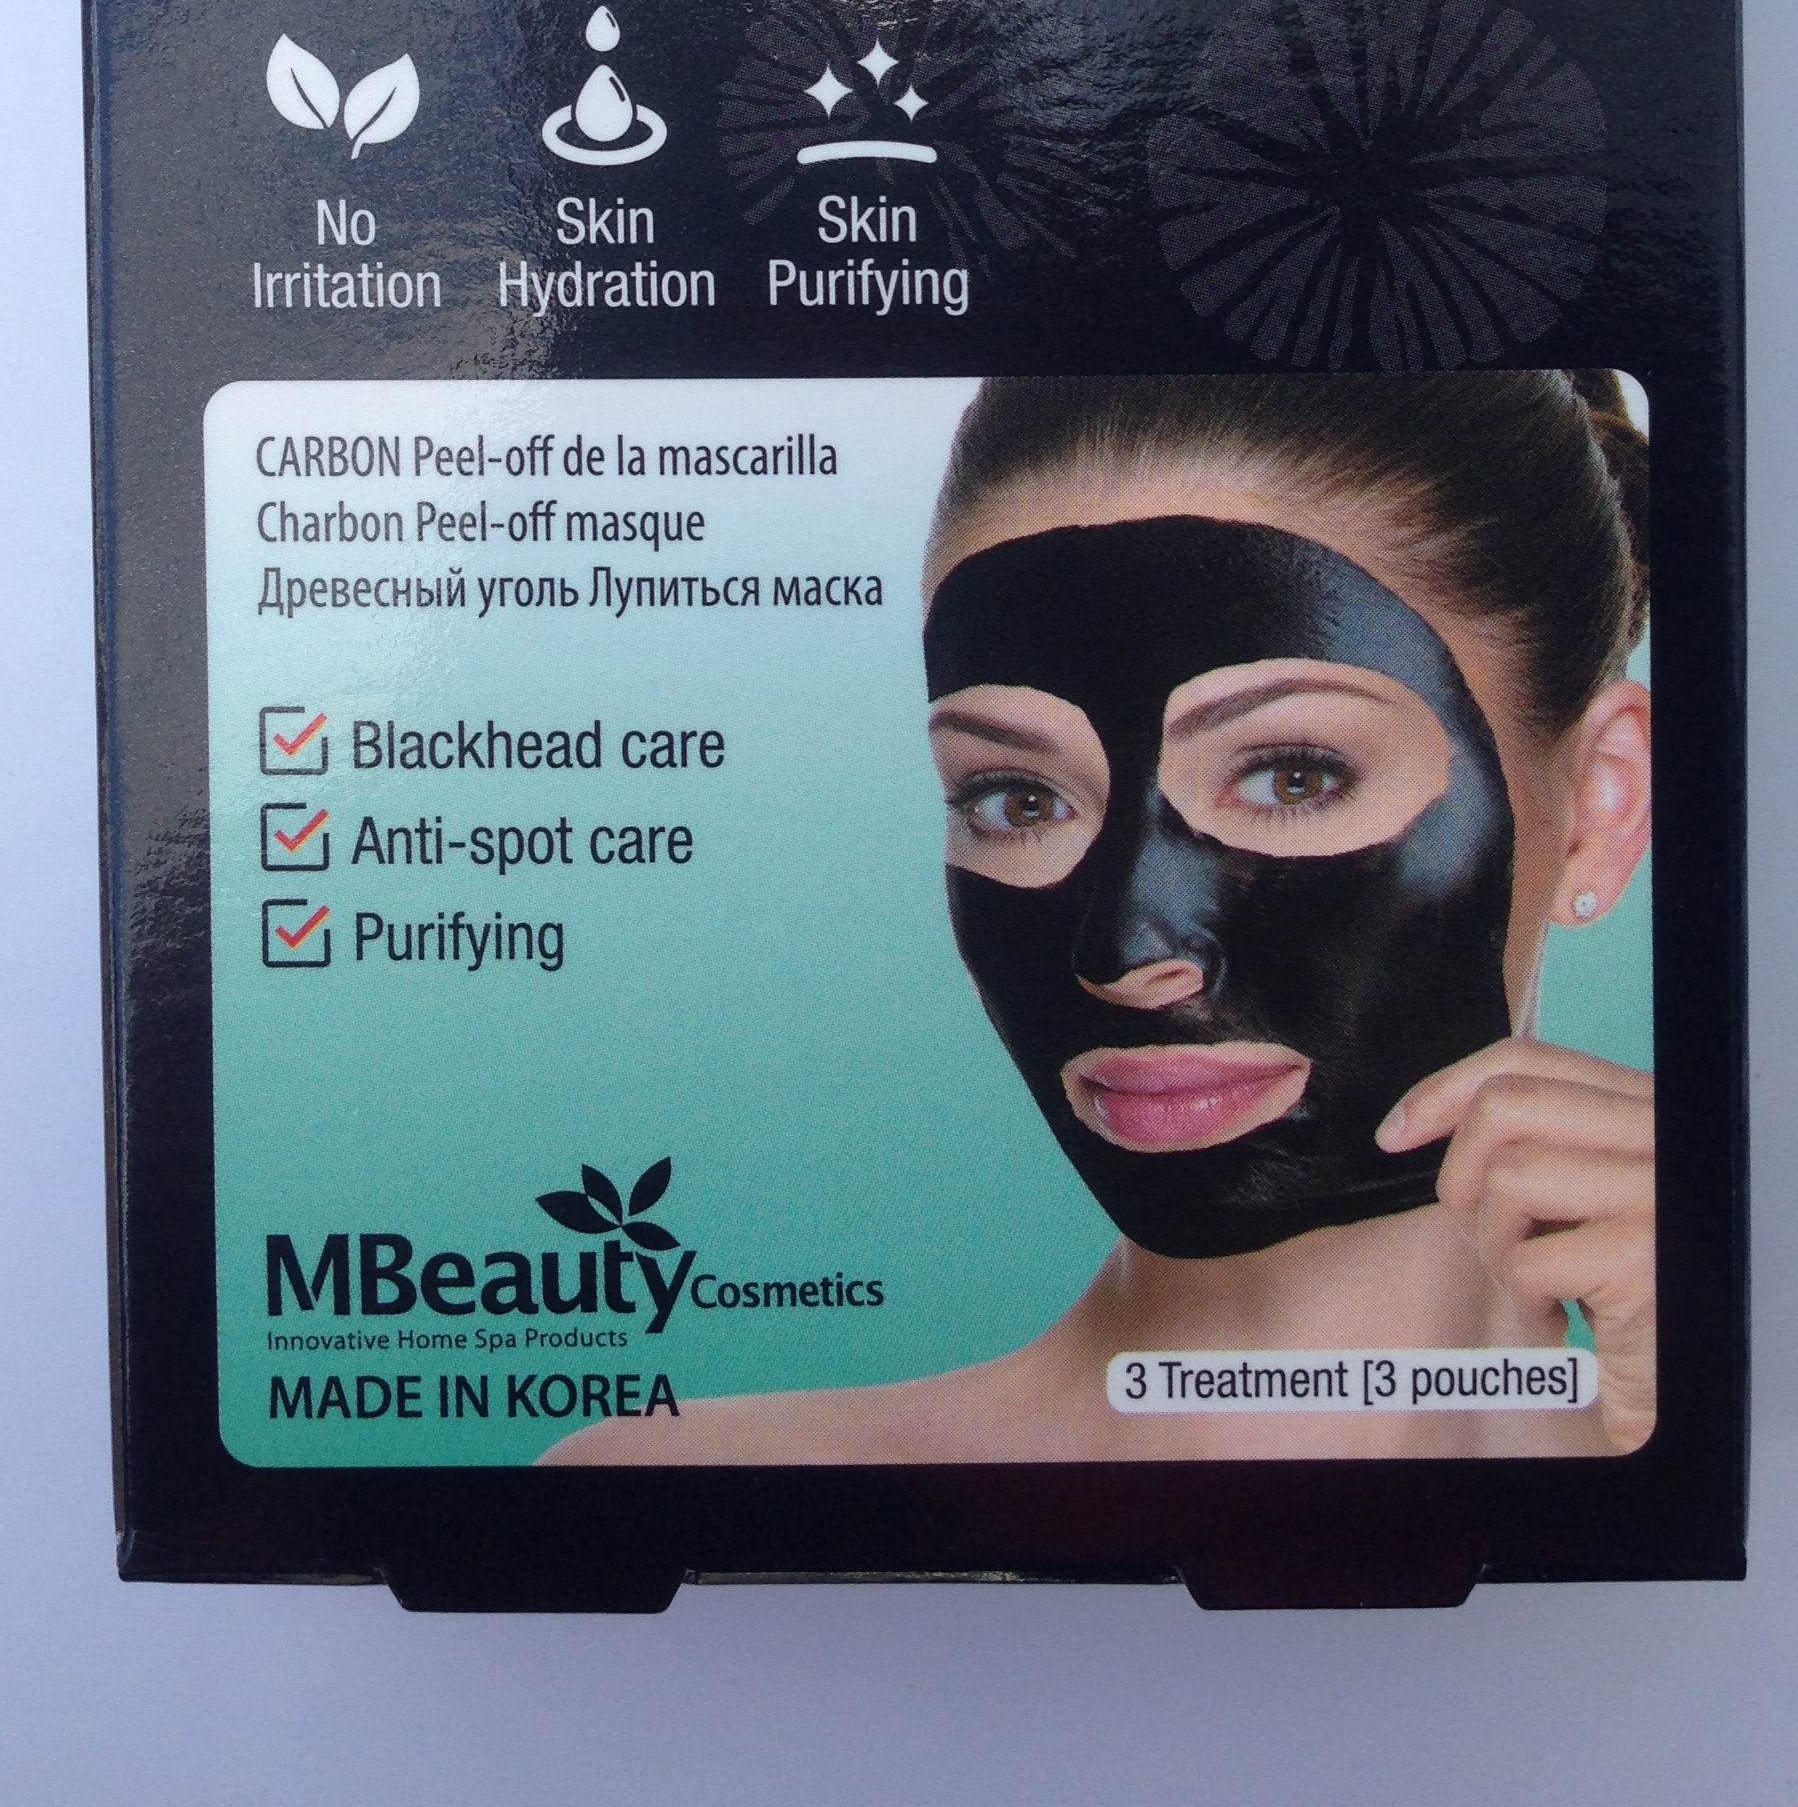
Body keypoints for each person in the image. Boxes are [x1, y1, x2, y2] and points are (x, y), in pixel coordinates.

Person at [556, 370, 1654, 1465]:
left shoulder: (1702, 1493)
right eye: (1018, 800)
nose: (1121, 951)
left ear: (1599, 811)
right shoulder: (683, 1495)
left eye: (1292, 777)